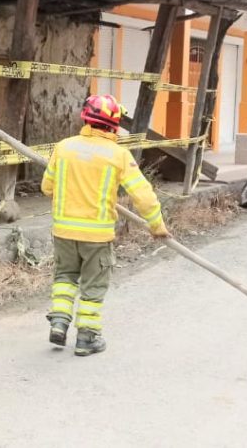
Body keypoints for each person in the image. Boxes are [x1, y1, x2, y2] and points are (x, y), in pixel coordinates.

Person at [41, 94, 169, 356]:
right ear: (113, 125)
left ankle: (59, 321)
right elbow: (143, 195)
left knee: (65, 277)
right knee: (93, 284)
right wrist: (157, 225)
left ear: (85, 118)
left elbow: (46, 187)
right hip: (96, 237)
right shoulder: (118, 155)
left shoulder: (63, 147)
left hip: (63, 232)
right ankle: (87, 338)